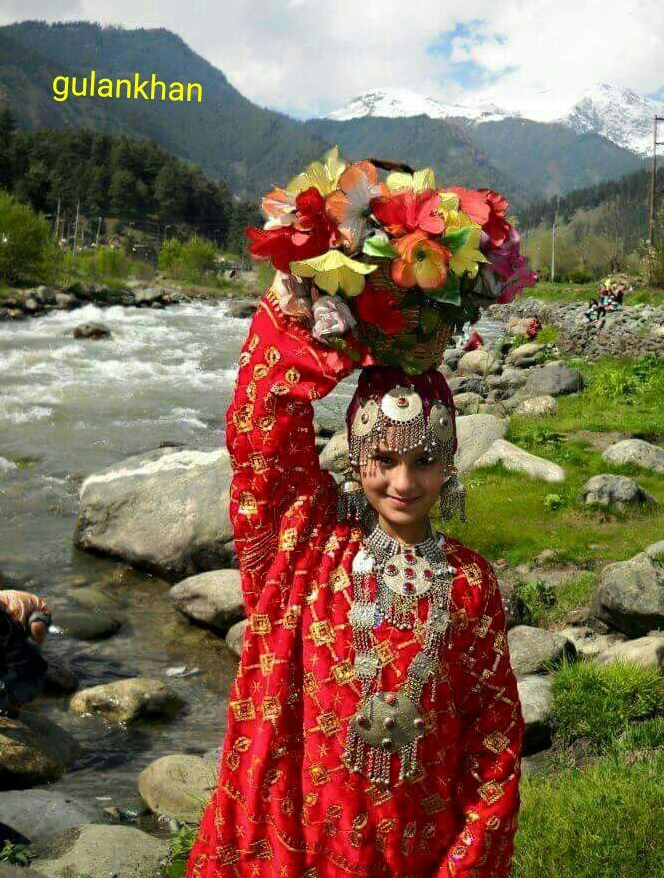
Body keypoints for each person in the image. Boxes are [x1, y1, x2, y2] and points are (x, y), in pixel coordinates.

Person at [185, 280, 524, 878]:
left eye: (423, 461)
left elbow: (493, 733)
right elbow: (260, 424)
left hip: (419, 841)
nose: (403, 483)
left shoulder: (471, 579)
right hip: (301, 834)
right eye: (384, 460)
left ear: (449, 464)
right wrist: (330, 324)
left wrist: (468, 857)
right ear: (354, 456)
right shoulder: (309, 541)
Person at [0, 589, 51, 718]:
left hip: (38, 611)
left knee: (36, 627)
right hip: (35, 677)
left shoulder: (13, 610)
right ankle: (13, 704)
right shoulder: (6, 619)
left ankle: (11, 701)